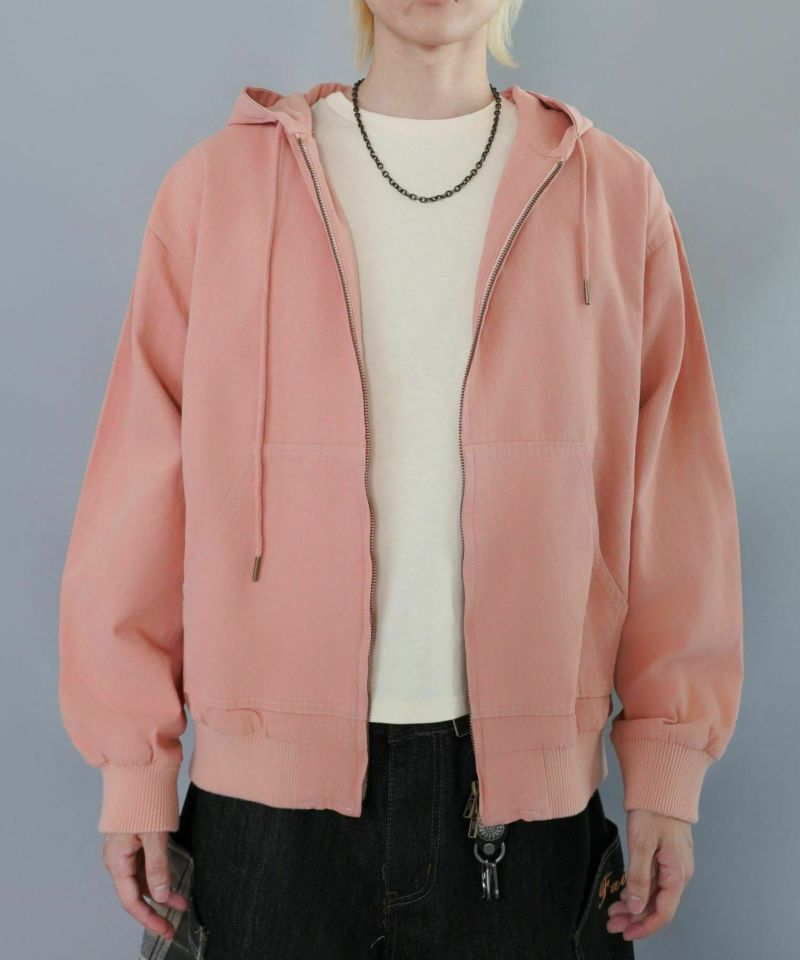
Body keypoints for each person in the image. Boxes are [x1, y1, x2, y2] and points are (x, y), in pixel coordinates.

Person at [58, 1, 744, 957]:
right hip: (266, 823)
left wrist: (669, 765)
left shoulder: (615, 195)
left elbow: (673, 501)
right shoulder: (217, 191)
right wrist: (133, 766)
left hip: (527, 817)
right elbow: (138, 491)